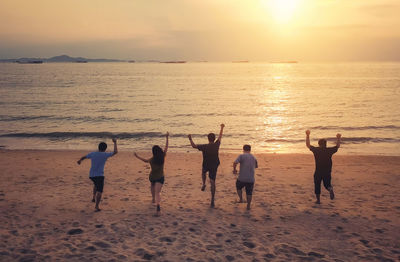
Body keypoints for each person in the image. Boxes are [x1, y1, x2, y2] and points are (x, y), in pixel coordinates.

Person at [188, 124, 224, 208]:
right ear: (214, 139)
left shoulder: (204, 146)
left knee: (203, 172)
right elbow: (220, 136)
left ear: (208, 139)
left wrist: (190, 139)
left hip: (206, 164)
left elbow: (193, 146)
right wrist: (222, 128)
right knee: (212, 182)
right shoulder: (216, 145)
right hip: (214, 165)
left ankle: (204, 183)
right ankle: (212, 200)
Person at [77, 138, 118, 211]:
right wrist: (115, 142)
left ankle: (93, 197)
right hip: (99, 175)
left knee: (96, 184)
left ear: (98, 147)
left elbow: (84, 157)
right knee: (100, 190)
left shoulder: (93, 153)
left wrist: (80, 160)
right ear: (105, 149)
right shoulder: (105, 154)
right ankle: (96, 206)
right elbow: (115, 152)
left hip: (91, 175)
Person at [134, 132, 169, 216]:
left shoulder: (152, 159)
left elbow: (144, 160)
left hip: (152, 177)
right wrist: (167, 137)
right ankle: (157, 206)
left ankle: (154, 200)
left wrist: (137, 156)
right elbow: (166, 147)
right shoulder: (162, 156)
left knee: (153, 187)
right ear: (159, 150)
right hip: (160, 177)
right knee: (158, 192)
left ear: (153, 152)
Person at [306, 130, 341, 204]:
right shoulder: (329, 150)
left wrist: (308, 135)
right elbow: (337, 146)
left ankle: (318, 200)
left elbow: (308, 145)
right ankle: (330, 189)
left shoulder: (316, 150)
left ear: (319, 144)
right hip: (327, 171)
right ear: (325, 144)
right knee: (327, 184)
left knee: (317, 184)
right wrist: (338, 138)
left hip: (318, 171)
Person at [233, 144, 258, 210]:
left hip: (242, 178)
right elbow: (256, 166)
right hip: (251, 179)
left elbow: (235, 162)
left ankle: (241, 199)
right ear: (250, 150)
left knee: (238, 187)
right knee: (249, 192)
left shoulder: (241, 156)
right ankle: (248, 206)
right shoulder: (253, 157)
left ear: (243, 149)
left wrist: (234, 169)